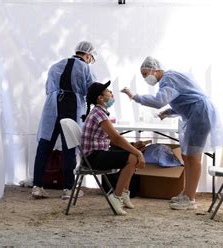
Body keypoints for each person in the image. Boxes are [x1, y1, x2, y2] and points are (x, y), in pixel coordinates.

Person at [121, 56, 223, 210]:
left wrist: (134, 96)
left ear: (154, 69)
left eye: (145, 74)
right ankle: (186, 193)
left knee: (193, 157)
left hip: (200, 114)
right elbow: (186, 98)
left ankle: (190, 199)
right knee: (186, 156)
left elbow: (159, 101)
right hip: (196, 113)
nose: (145, 78)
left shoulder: (169, 79)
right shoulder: (171, 78)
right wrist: (169, 112)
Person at [32, 41, 97, 200]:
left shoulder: (55, 65)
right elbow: (93, 91)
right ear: (88, 56)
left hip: (52, 107)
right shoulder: (85, 68)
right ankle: (68, 189)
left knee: (44, 146)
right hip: (71, 107)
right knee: (70, 148)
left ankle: (37, 186)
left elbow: (48, 88)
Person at [82, 81, 145, 215]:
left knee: (131, 154)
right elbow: (116, 138)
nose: (111, 93)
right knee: (133, 157)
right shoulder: (99, 114)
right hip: (93, 157)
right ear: (100, 98)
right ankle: (116, 197)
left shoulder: (100, 112)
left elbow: (113, 139)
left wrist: (132, 147)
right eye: (108, 92)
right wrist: (137, 152)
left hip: (96, 154)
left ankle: (123, 193)